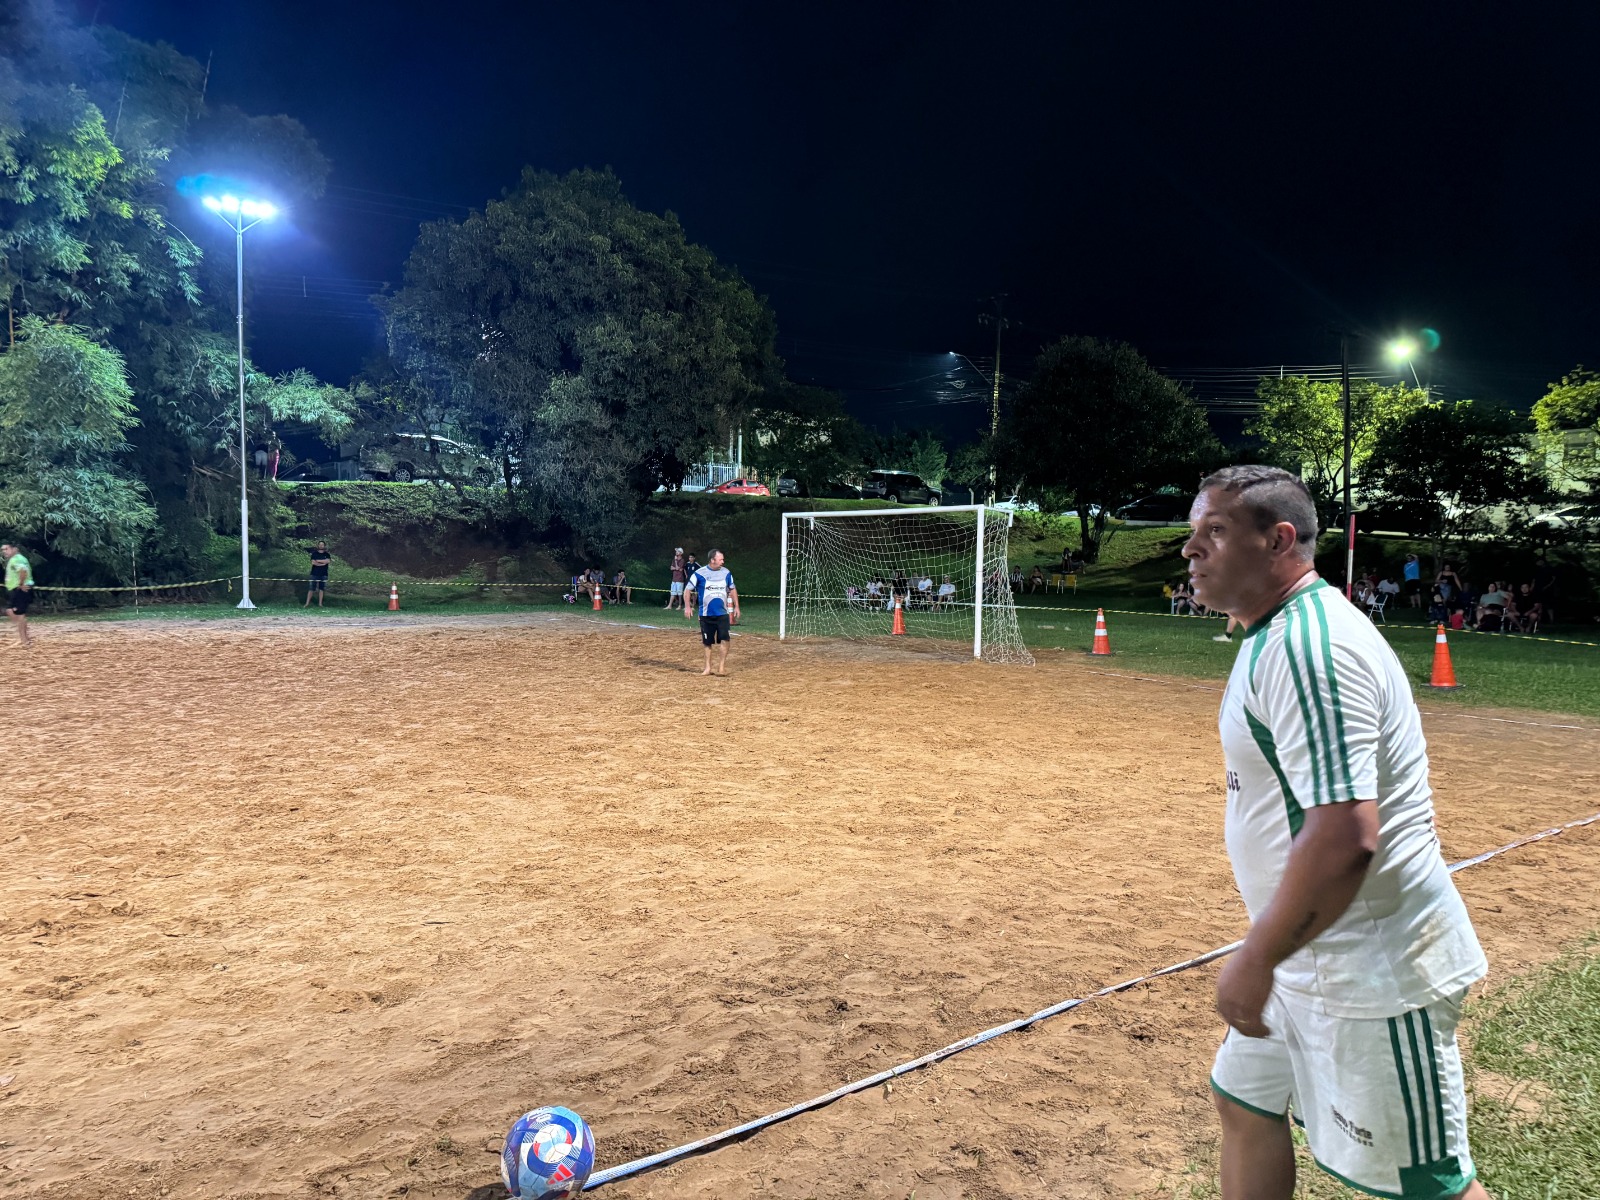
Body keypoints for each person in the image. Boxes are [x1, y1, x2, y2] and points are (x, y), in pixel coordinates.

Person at [1182, 465, 1491, 1200]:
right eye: (1192, 535)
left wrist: (1255, 957)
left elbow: (1347, 832)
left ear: (1278, 540)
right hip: (1305, 950)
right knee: (1243, 1102)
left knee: (1431, 1187)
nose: (1191, 551)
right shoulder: (1274, 633)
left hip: (1368, 966)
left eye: (1214, 533)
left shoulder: (1309, 648)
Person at [684, 549, 739, 676]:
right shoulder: (699, 573)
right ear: (712, 560)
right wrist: (687, 606)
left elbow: (732, 589)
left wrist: (736, 607)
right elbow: (687, 590)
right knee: (707, 642)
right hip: (705, 614)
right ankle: (708, 668)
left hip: (722, 613)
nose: (723, 562)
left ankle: (721, 668)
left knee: (725, 638)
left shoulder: (726, 573)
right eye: (721, 559)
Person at [2, 543, 33, 647]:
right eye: (2, 550)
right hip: (15, 589)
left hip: (19, 589)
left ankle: (25, 640)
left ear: (14, 549)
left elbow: (23, 571)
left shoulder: (17, 559)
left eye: (6, 549)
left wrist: (21, 584)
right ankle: (24, 636)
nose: (4, 551)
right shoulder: (16, 559)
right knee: (11, 611)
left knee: (18, 614)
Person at [304, 541, 331, 608]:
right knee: (311, 589)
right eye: (320, 544)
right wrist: (322, 562)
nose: (321, 546)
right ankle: (307, 604)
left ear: (324, 546)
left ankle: (320, 604)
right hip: (314, 573)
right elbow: (313, 563)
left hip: (324, 574)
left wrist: (318, 561)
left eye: (322, 545)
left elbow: (328, 561)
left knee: (321, 589)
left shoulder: (327, 554)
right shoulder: (314, 554)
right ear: (318, 546)